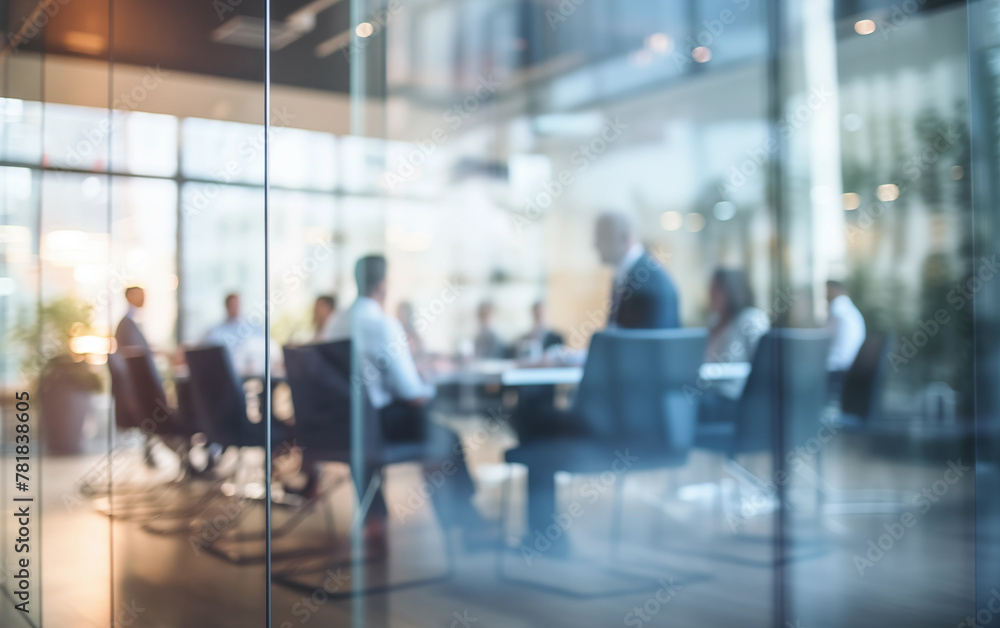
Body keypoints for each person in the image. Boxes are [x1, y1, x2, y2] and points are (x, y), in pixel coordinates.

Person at [324, 255, 487, 548]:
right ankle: (466, 524)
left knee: (425, 427)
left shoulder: (335, 323)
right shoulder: (381, 324)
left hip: (340, 430)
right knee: (445, 437)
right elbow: (413, 395)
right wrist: (428, 382)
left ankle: (375, 518)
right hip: (375, 429)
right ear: (383, 285)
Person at [699, 268, 771, 422]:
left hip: (733, 397)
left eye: (716, 290)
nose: (710, 295)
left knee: (683, 405)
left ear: (731, 290)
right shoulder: (714, 322)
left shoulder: (751, 319)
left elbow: (763, 368)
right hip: (708, 392)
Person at [595, 211, 680, 329]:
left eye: (602, 237)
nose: (595, 244)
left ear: (624, 237)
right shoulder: (630, 273)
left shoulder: (648, 280)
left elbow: (639, 342)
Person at [826, 279, 866, 374]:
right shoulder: (847, 309)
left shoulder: (837, 310)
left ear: (831, 289)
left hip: (836, 368)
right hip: (844, 366)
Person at [115, 286, 150, 353]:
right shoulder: (127, 324)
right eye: (140, 294)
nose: (144, 298)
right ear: (130, 296)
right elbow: (137, 350)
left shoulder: (134, 320)